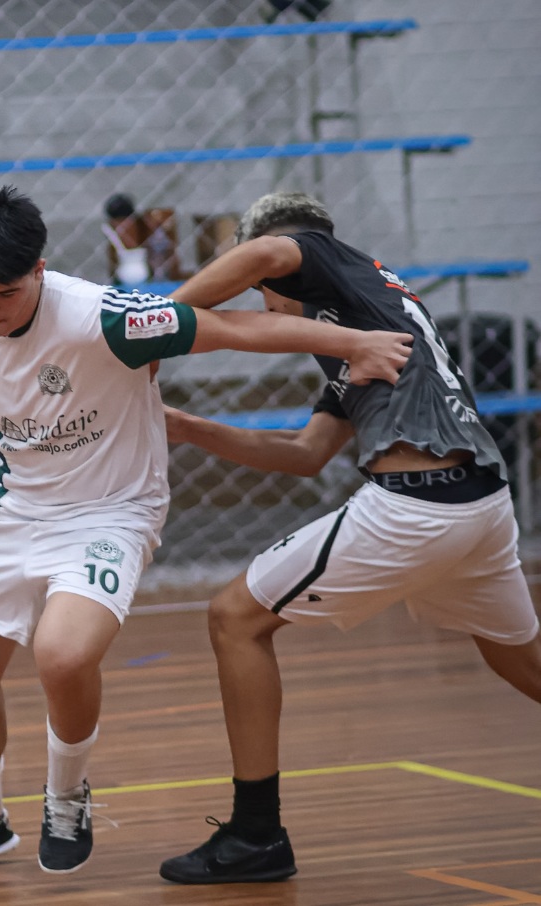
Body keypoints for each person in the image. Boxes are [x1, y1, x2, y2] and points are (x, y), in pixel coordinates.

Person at [0, 185, 413, 876]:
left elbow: (235, 327)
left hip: (109, 511)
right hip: (13, 510)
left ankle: (67, 794)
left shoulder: (105, 319)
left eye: (5, 294)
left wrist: (354, 342)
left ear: (40, 271)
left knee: (64, 654)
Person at [156, 191, 541, 884]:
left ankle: (256, 835)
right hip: (480, 505)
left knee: (234, 620)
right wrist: (190, 429)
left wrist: (156, 326)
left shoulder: (323, 257)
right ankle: (254, 835)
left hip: (418, 508)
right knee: (524, 665)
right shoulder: (366, 318)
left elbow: (272, 250)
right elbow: (306, 453)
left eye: (259, 288)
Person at [102, 193, 181, 287]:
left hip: (150, 276)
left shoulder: (145, 229)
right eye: (118, 221)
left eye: (125, 220)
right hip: (129, 276)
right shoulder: (111, 232)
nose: (122, 225)